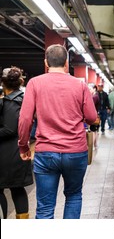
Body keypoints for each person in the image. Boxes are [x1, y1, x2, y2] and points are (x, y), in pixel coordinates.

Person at [18, 44, 97, 219]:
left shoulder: (34, 83)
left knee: (45, 207)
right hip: (76, 151)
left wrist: (23, 146)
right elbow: (91, 117)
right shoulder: (80, 85)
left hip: (46, 152)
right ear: (66, 63)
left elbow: (24, 119)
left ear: (46, 62)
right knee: (74, 196)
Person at [0, 67, 33, 219]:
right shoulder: (23, 98)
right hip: (18, 150)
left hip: (8, 153)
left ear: (3, 83)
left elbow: (9, 129)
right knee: (17, 189)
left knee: (5, 189)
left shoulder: (11, 102)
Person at [88, 83, 100, 147]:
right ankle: (95, 145)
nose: (88, 90)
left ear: (94, 89)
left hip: (94, 116)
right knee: (95, 131)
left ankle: (92, 145)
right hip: (96, 115)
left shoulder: (94, 97)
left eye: (90, 89)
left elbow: (90, 106)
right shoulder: (96, 96)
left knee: (93, 131)